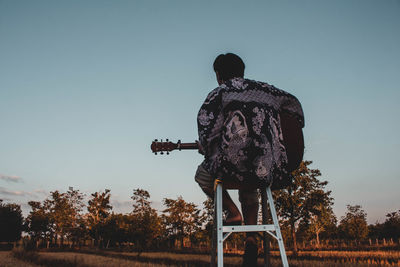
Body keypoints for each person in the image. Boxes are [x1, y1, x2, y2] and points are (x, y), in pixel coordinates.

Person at [195, 53, 304, 266]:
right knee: (252, 176)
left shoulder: (220, 93)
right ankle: (251, 238)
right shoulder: (269, 91)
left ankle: (233, 212)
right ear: (242, 71)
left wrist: (208, 147)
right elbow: (295, 108)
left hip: (233, 167)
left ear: (218, 75)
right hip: (270, 168)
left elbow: (207, 133)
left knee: (203, 176)